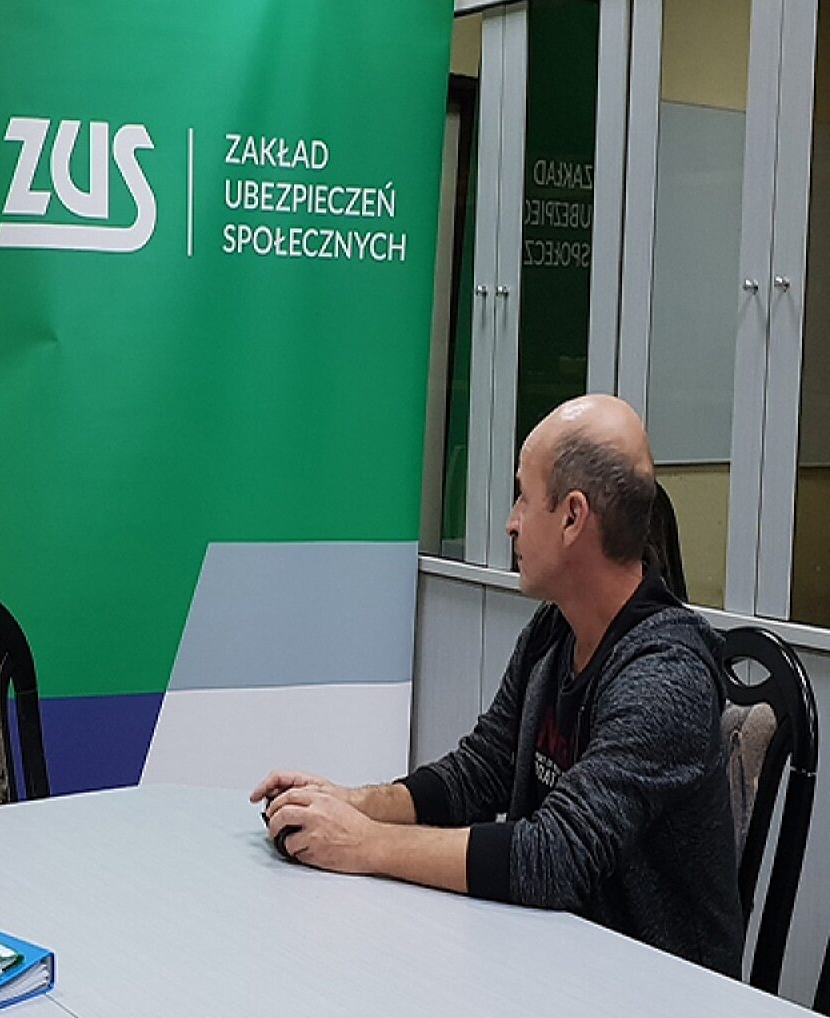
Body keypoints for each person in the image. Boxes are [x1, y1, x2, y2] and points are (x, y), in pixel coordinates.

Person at [252, 394, 743, 975]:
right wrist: (352, 803)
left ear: (573, 517)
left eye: (523, 497)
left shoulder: (666, 676)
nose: (511, 521)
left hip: (653, 986)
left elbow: (554, 857)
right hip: (556, 957)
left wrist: (366, 844)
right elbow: (481, 771)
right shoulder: (555, 630)